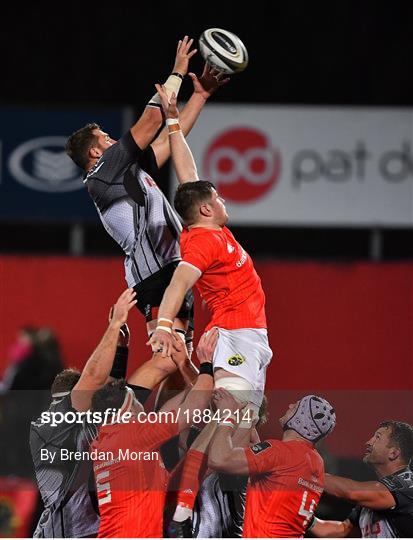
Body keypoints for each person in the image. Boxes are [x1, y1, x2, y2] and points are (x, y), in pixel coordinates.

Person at [66, 37, 227, 405]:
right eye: (105, 137)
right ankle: (119, 423)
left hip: (174, 268)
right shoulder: (103, 173)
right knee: (167, 358)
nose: (113, 139)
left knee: (174, 365)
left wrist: (199, 95)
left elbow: (172, 136)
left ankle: (164, 441)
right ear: (95, 152)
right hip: (154, 275)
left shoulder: (127, 172)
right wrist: (179, 72)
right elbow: (153, 118)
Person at [148, 87, 273, 419]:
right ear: (205, 209)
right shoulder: (204, 243)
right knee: (229, 420)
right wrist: (163, 324)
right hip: (235, 335)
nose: (223, 201)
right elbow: (179, 282)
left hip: (249, 335)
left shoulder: (206, 229)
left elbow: (188, 175)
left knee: (244, 421)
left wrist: (174, 122)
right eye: (218, 199)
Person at [30, 288, 136, 538]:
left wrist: (120, 350)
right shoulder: (57, 421)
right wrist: (115, 324)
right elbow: (93, 377)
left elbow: (111, 391)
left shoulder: (77, 424)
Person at [90, 333, 216, 538]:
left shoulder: (103, 440)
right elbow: (196, 406)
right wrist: (206, 364)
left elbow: (173, 409)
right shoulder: (135, 435)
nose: (143, 406)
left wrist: (185, 366)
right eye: (137, 402)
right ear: (128, 410)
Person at [208, 392, 336, 538]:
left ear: (302, 419)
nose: (290, 405)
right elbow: (275, 474)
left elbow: (218, 459)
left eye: (296, 406)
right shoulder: (317, 462)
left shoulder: (280, 452)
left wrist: (227, 415)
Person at [310, 421, 413, 538]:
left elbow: (351, 492)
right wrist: (307, 518)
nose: (368, 442)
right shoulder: (370, 500)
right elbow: (343, 530)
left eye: (377, 437)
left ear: (393, 453)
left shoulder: (407, 486)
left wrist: (305, 474)